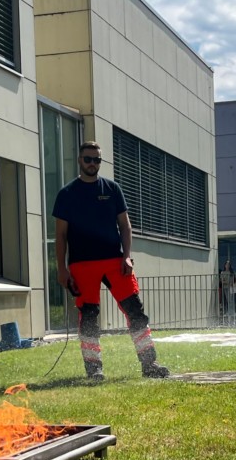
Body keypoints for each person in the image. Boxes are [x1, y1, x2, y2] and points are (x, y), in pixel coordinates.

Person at [53, 141, 169, 381]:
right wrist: (61, 269)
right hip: (82, 265)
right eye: (88, 159)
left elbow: (125, 226)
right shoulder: (66, 194)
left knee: (135, 310)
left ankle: (150, 364)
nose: (92, 163)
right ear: (79, 160)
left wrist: (127, 256)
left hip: (115, 262)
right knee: (89, 316)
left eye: (96, 160)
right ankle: (94, 369)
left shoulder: (113, 189)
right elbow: (60, 235)